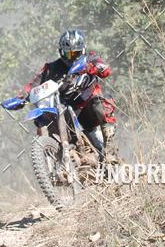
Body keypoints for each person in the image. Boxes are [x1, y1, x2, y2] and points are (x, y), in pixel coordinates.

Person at [17, 29, 117, 159]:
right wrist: (23, 96)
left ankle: (108, 146)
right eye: (68, 54)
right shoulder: (52, 68)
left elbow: (105, 70)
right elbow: (34, 83)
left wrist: (92, 68)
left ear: (82, 50)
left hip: (87, 108)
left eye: (76, 54)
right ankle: (50, 158)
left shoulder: (90, 58)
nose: (72, 58)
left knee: (99, 103)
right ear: (61, 52)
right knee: (43, 118)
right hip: (65, 110)